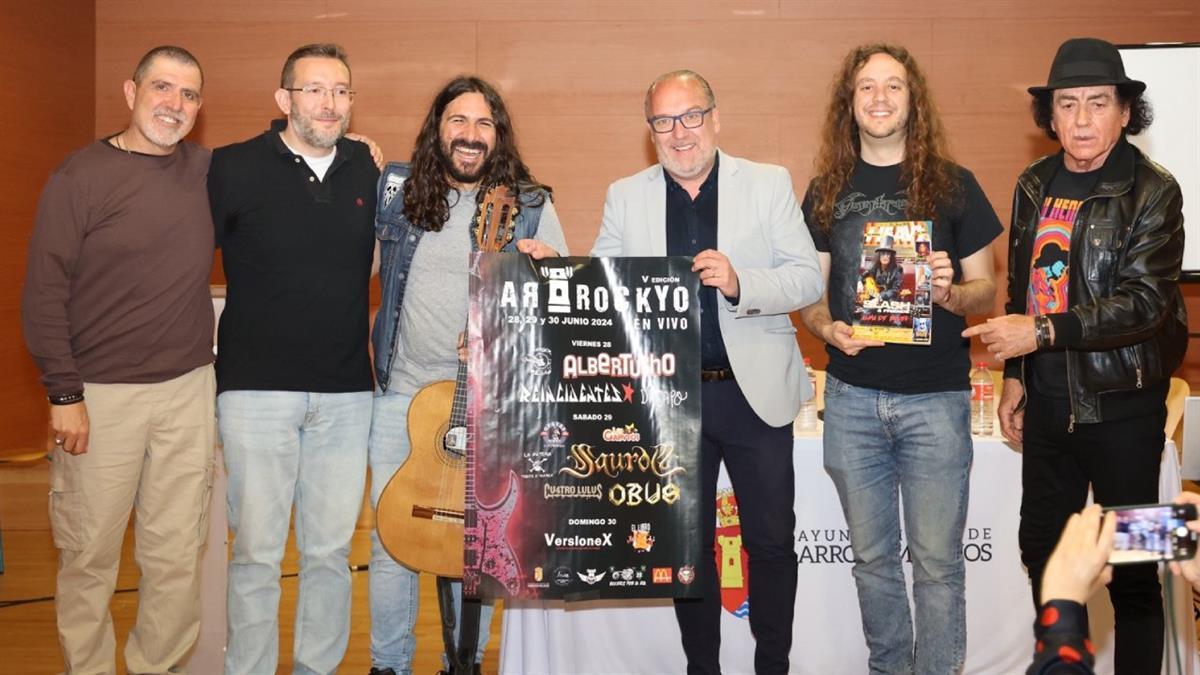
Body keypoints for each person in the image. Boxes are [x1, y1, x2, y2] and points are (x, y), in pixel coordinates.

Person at [964, 37, 1188, 673]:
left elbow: (1143, 303)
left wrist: (1041, 334)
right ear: (1051, 116)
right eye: (1068, 105)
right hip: (1047, 407)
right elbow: (1022, 289)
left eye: (1098, 103)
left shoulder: (1154, 190)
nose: (1083, 119)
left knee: (1136, 567)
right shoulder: (1034, 182)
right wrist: (1016, 375)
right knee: (1043, 550)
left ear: (1125, 114)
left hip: (1126, 408)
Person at [591, 69, 823, 675]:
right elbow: (598, 289)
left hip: (753, 399)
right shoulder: (626, 195)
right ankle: (704, 669)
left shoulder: (768, 184)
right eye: (664, 121)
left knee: (770, 543)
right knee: (685, 551)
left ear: (715, 118)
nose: (680, 132)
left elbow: (807, 278)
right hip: (670, 404)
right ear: (652, 133)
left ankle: (774, 665)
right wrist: (545, 268)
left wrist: (742, 280)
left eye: (691, 116)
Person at [798, 43, 1001, 674]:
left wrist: (945, 291)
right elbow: (809, 299)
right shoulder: (826, 190)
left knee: (939, 568)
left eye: (893, 86)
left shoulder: (952, 183)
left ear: (914, 100)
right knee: (872, 562)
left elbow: (987, 291)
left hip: (937, 401)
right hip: (852, 399)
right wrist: (830, 330)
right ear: (849, 103)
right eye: (867, 87)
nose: (880, 98)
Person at [21, 45, 216, 674]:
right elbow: (43, 293)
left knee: (176, 553)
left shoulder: (209, 172)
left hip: (188, 390)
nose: (174, 105)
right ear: (130, 93)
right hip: (99, 399)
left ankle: (156, 667)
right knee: (88, 554)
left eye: (188, 95)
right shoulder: (79, 177)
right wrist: (64, 395)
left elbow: (287, 163)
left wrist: (363, 148)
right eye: (162, 88)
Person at [368, 75, 566, 675]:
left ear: (498, 135)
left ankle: (466, 661)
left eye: (484, 124)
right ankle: (388, 664)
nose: (470, 135)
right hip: (403, 394)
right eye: (458, 121)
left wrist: (543, 276)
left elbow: (559, 301)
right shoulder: (398, 192)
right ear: (438, 128)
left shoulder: (530, 205)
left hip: (488, 400)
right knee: (389, 541)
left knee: (473, 544)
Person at [206, 43, 380, 674]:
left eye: (341, 90)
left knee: (330, 554)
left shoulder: (367, 168)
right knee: (254, 554)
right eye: (313, 89)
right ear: (284, 100)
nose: (329, 103)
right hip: (255, 394)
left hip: (346, 395)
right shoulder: (228, 168)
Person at [861, 236, 903, 302]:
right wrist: (861, 283)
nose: (885, 256)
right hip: (873, 299)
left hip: (891, 301)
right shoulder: (873, 267)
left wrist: (881, 297)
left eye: (888, 254)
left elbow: (895, 290)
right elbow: (863, 277)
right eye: (883, 254)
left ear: (891, 256)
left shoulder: (898, 269)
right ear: (879, 256)